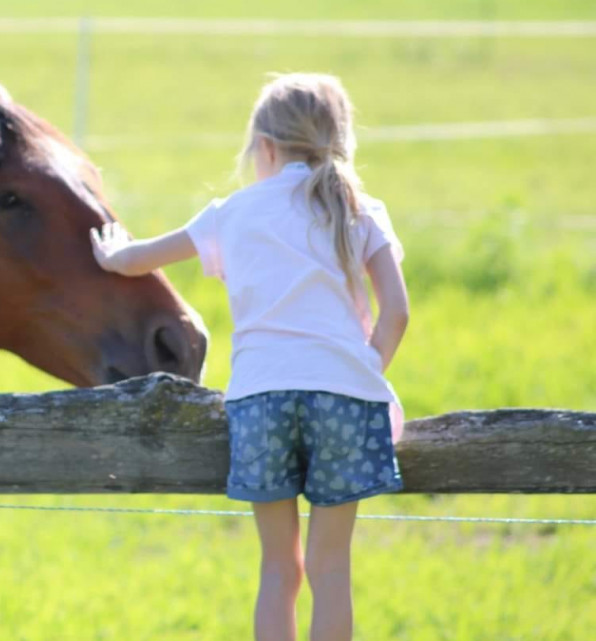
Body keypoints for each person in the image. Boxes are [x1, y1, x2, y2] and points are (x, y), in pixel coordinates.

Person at [89, 72, 409, 641]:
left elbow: (141, 258)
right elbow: (397, 313)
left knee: (278, 567)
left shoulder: (231, 212)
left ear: (265, 146)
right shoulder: (360, 208)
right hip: (346, 400)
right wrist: (361, 372)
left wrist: (113, 254)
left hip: (260, 401)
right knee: (331, 568)